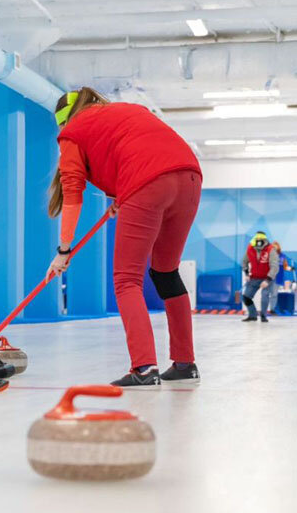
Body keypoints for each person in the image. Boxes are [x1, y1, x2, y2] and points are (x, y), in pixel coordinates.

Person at [47, 88, 202, 388]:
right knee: (166, 272)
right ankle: (185, 363)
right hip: (190, 178)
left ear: (64, 122)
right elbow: (137, 150)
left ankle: (144, 368)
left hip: (148, 183)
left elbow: (72, 195)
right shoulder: (125, 110)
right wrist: (123, 193)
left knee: (126, 279)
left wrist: (63, 250)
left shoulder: (73, 131)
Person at [241, 231, 278, 323]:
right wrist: (246, 273)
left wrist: (268, 279)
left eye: (260, 241)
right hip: (254, 277)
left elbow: (275, 266)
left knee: (264, 296)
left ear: (264, 241)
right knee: (246, 296)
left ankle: (263, 316)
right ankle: (253, 315)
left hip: (267, 278)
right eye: (257, 241)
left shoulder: (270, 249)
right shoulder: (250, 248)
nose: (258, 243)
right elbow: (244, 261)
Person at [267, 240, 291, 314]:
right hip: (269, 276)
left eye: (276, 246)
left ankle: (272, 309)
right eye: (273, 246)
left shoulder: (282, 256)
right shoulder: (268, 255)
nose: (274, 248)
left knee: (274, 294)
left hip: (278, 277)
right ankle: (264, 308)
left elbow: (285, 266)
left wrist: (290, 268)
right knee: (266, 293)